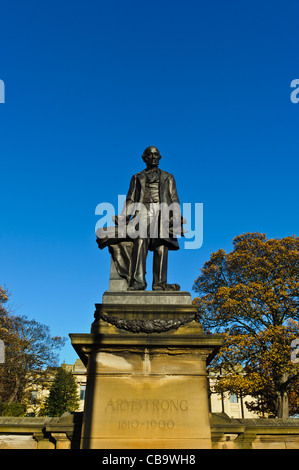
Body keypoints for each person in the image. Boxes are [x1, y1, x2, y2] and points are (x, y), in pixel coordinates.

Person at [97, 146, 184, 291]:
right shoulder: (137, 177)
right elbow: (130, 199)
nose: (153, 157)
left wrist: (176, 217)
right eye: (150, 155)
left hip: (162, 214)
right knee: (140, 245)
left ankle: (160, 283)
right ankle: (138, 282)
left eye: (156, 155)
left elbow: (174, 198)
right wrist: (124, 217)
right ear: (144, 158)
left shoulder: (168, 177)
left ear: (160, 157)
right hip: (142, 214)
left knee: (161, 247)